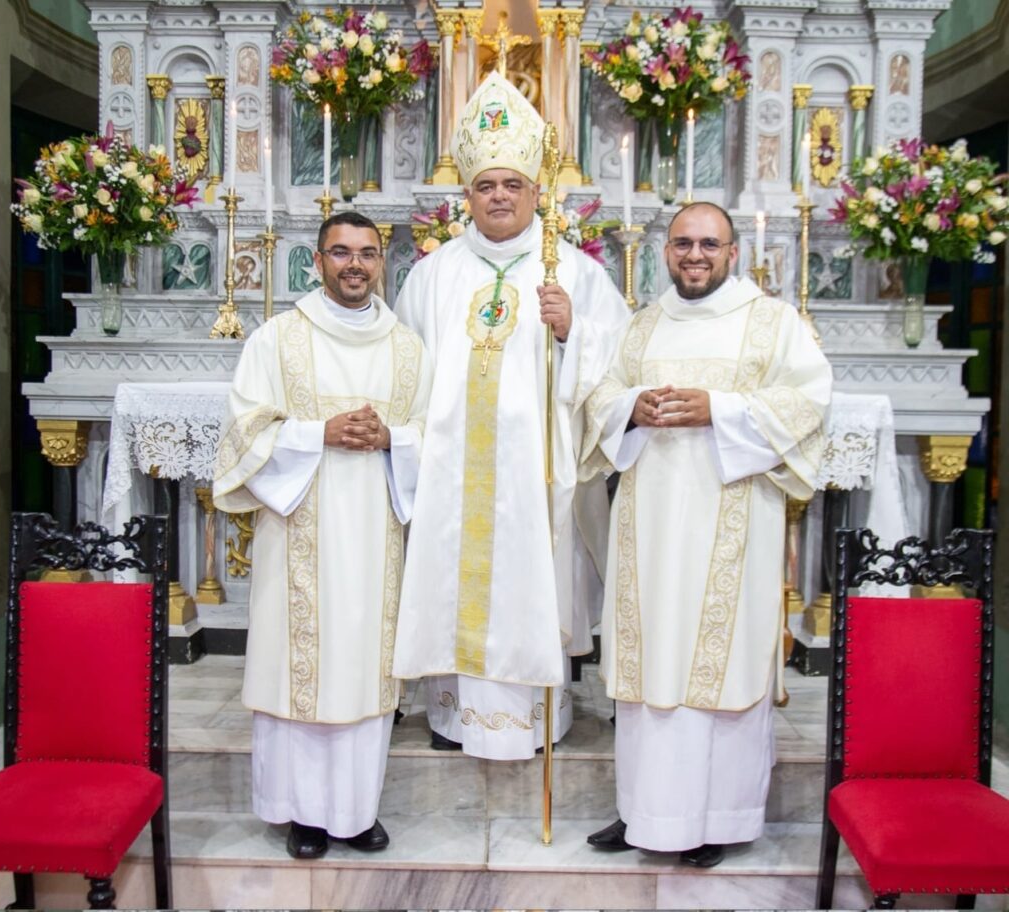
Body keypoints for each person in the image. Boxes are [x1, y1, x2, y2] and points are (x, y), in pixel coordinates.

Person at [583, 202, 832, 865]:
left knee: (720, 666)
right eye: (683, 243)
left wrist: (717, 410)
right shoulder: (641, 326)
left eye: (709, 244)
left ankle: (718, 820)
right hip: (649, 525)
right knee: (651, 664)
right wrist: (629, 408)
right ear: (666, 251)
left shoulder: (772, 323)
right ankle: (645, 811)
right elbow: (599, 395)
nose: (695, 255)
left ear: (732, 253)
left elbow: (810, 400)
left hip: (735, 523)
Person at [391, 71, 628, 760]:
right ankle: (453, 718)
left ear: (535, 192)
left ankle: (535, 721)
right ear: (467, 196)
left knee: (530, 583)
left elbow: (621, 364)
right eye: (486, 185)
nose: (499, 195)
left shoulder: (573, 272)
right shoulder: (432, 274)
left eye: (512, 184)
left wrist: (573, 332)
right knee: (451, 579)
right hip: (450, 473)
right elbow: (402, 371)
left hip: (535, 476)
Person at [213, 211, 432, 859]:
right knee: (298, 668)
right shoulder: (276, 340)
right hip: (297, 536)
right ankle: (302, 814)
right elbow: (242, 432)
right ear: (317, 262)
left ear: (382, 263)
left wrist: (393, 438)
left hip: (374, 539)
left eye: (367, 253)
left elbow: (437, 437)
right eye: (341, 252)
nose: (355, 264)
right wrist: (319, 433)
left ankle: (356, 813)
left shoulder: (408, 350)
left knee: (363, 670)